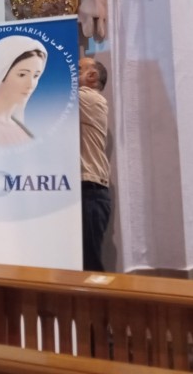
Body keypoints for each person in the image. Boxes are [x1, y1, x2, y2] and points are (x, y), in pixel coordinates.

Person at [78, 57, 110, 272]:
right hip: (81, 189)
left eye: (76, 68)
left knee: (89, 266)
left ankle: (102, 306)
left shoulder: (89, 98)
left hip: (89, 190)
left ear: (91, 76)